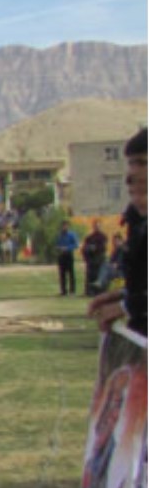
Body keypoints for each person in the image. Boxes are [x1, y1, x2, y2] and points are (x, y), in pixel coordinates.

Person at [87, 128, 145, 336]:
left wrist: (128, 306)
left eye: (142, 163)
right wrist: (124, 295)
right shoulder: (138, 222)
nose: (131, 174)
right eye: (130, 163)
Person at [81, 219, 110, 297]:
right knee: (90, 275)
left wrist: (95, 248)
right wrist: (87, 252)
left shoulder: (103, 236)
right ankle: (89, 291)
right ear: (93, 227)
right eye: (95, 226)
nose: (97, 227)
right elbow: (84, 248)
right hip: (91, 260)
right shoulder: (89, 237)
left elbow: (103, 248)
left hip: (99, 259)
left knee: (99, 275)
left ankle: (99, 291)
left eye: (98, 226)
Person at [55, 219, 79, 296]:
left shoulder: (71, 235)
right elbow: (57, 244)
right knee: (62, 274)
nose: (64, 227)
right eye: (63, 226)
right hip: (62, 256)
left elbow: (76, 245)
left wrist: (67, 248)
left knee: (71, 273)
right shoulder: (60, 235)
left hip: (69, 255)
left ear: (68, 226)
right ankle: (63, 291)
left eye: (66, 226)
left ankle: (72, 291)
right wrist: (59, 248)